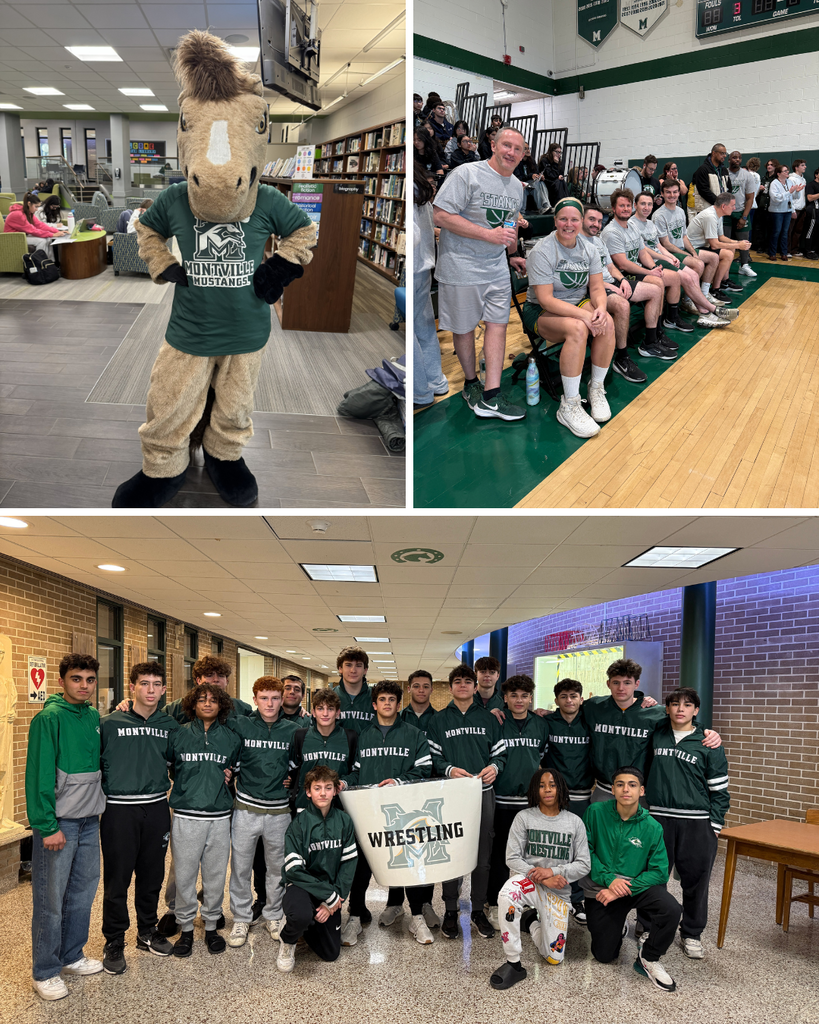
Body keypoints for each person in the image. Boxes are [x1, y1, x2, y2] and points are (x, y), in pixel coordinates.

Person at [433, 126, 528, 422]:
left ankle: (491, 396)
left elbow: (507, 227)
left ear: (523, 155)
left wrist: (512, 254)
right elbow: (440, 215)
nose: (511, 152)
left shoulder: (515, 186)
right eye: (506, 146)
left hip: (496, 267)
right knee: (463, 329)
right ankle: (471, 383)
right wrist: (488, 236)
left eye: (518, 149)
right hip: (461, 266)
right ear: (494, 146)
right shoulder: (466, 174)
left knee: (498, 324)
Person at [26, 654, 106, 1001]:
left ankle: (72, 955)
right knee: (50, 899)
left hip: (90, 821)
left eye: (89, 679)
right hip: (59, 824)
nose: (84, 685)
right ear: (62, 681)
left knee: (83, 894)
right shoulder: (49, 718)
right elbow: (39, 776)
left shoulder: (92, 717)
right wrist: (47, 825)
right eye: (76, 679)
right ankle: (44, 970)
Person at [98, 662, 178, 976]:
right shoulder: (109, 723)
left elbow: (177, 764)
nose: (150, 690)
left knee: (152, 876)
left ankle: (147, 930)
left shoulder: (169, 725)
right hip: (119, 810)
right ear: (132, 687)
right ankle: (114, 940)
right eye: (144, 683)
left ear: (163, 689)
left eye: (156, 684)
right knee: (118, 878)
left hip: (157, 808)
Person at [341, 681, 434, 946]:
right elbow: (357, 771)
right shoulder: (363, 735)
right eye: (382, 699)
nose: (387, 704)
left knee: (409, 861)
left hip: (404, 811)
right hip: (369, 812)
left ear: (398, 704)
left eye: (392, 700)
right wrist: (345, 783)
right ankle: (355, 917)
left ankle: (416, 916)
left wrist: (398, 781)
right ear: (374, 704)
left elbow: (424, 769)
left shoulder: (414, 734)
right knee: (362, 866)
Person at [645, 687, 730, 960]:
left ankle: (692, 933)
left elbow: (720, 790)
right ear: (667, 708)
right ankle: (648, 925)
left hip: (696, 822)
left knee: (695, 881)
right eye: (674, 704)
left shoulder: (708, 742)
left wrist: (714, 826)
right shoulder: (656, 735)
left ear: (696, 710)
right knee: (653, 876)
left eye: (688, 704)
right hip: (658, 817)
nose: (680, 709)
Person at [490, 767, 590, 990]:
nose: (547, 790)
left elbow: (584, 865)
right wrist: (543, 878)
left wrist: (555, 872)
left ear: (561, 789)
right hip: (530, 884)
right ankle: (513, 963)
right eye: (541, 785)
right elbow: (512, 858)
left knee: (554, 957)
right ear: (535, 790)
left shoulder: (575, 822)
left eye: (552, 785)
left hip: (559, 892)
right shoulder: (523, 818)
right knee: (507, 894)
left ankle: (531, 923)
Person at [524, 196, 616, 438]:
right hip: (541, 311)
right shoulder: (542, 251)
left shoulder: (590, 249)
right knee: (578, 328)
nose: (569, 224)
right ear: (555, 221)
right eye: (563, 219)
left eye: (574, 219)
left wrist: (601, 309)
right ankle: (570, 404)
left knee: (606, 323)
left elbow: (596, 288)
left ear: (581, 221)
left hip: (576, 303)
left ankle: (596, 388)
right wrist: (584, 317)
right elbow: (545, 299)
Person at [583, 766, 681, 992]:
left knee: (671, 909)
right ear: (613, 789)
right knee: (604, 956)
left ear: (642, 791)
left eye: (632, 785)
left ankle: (649, 957)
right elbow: (585, 852)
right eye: (620, 784)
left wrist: (622, 887)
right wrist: (609, 880)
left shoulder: (652, 827)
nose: (625, 789)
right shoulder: (594, 813)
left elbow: (658, 871)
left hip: (636, 887)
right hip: (601, 888)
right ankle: (617, 928)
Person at [427, 663, 507, 941]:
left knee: (483, 854)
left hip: (482, 793)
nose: (462, 685)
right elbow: (432, 758)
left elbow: (500, 754)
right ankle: (450, 908)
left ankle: (477, 910)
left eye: (467, 681)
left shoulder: (489, 719)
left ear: (475, 687)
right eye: (457, 681)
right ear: (450, 688)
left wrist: (494, 767)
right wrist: (448, 769)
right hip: (452, 795)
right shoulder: (437, 721)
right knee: (452, 853)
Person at [166, 682, 241, 957]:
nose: (207, 703)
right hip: (186, 815)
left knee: (215, 874)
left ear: (221, 705)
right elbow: (171, 769)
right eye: (201, 699)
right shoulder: (178, 735)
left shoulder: (231, 738)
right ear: (192, 705)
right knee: (184, 875)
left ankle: (211, 925)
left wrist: (230, 776)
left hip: (220, 816)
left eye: (213, 700)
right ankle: (185, 928)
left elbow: (236, 771)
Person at [581, 658, 721, 801]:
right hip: (605, 789)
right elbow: (568, 714)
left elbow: (684, 722)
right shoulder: (593, 707)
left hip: (639, 793)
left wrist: (706, 731)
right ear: (608, 684)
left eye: (627, 683)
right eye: (616, 682)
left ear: (637, 684)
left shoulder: (655, 713)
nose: (621, 688)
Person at [225, 676, 298, 949]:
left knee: (277, 869)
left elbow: (297, 765)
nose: (270, 703)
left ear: (283, 699)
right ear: (254, 699)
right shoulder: (240, 724)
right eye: (264, 698)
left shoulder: (293, 729)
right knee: (241, 868)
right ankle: (242, 918)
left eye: (275, 698)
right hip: (245, 808)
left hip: (280, 812)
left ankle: (273, 915)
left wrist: (293, 777)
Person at [276, 766, 357, 972]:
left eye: (328, 788)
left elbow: (348, 865)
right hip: (301, 886)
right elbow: (294, 870)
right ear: (308, 792)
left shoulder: (344, 821)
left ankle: (306, 925)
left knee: (331, 954)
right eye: (317, 788)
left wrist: (336, 899)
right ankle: (289, 938)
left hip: (330, 891)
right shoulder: (299, 823)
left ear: (335, 791)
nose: (323, 793)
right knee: (301, 915)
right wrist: (328, 896)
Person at [485, 675, 549, 930]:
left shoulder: (540, 724)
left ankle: (530, 902)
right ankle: (495, 903)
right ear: (506, 698)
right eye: (514, 696)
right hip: (501, 798)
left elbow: (541, 755)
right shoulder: (497, 721)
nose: (519, 700)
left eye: (524, 696)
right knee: (500, 854)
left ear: (531, 698)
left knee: (532, 856)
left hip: (530, 802)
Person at [629, 192, 729, 329]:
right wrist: (666, 258)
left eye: (649, 204)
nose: (646, 207)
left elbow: (658, 245)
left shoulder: (650, 222)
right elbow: (644, 250)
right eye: (643, 204)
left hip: (662, 257)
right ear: (635, 205)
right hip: (650, 263)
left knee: (694, 274)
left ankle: (702, 308)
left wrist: (671, 256)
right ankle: (708, 310)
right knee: (686, 278)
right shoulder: (632, 224)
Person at [601, 188, 678, 362]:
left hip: (636, 270)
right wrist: (649, 271)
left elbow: (643, 252)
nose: (626, 209)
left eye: (628, 205)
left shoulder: (632, 227)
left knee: (661, 280)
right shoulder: (611, 231)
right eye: (622, 206)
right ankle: (650, 341)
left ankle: (656, 333)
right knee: (656, 287)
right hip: (623, 275)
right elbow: (622, 264)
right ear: (613, 208)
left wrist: (654, 268)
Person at [581, 204, 656, 383]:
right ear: (581, 219)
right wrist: (610, 285)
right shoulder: (577, 242)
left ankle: (652, 341)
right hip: (594, 288)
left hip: (612, 282)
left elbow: (611, 266)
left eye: (599, 221)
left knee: (655, 290)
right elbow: (584, 278)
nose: (596, 224)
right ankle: (622, 358)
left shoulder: (598, 241)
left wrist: (621, 280)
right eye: (591, 219)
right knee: (622, 304)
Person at [543, 679, 593, 923]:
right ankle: (551, 894)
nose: (569, 700)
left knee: (578, 848)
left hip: (583, 794)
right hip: (555, 796)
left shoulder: (590, 721)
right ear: (556, 701)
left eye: (574, 696)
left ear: (581, 699)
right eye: (564, 696)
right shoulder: (547, 723)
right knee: (555, 846)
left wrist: (642, 696)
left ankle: (578, 899)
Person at [654, 179, 737, 316]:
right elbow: (666, 244)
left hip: (683, 248)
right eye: (668, 192)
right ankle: (688, 300)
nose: (672, 195)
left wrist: (692, 252)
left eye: (675, 192)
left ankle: (704, 294)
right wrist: (686, 254)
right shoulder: (659, 215)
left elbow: (684, 236)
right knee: (698, 265)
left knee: (714, 257)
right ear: (662, 194)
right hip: (670, 252)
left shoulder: (680, 211)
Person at [414, 166, 449, 409]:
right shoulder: (424, 196)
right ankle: (436, 381)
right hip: (425, 265)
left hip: (414, 266)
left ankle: (420, 390)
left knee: (416, 331)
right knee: (424, 326)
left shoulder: (413, 193)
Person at [686, 192, 749, 297]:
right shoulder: (710, 216)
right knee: (728, 254)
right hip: (692, 248)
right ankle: (715, 289)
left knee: (731, 250)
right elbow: (715, 245)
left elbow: (721, 237)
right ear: (723, 206)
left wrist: (738, 243)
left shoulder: (719, 214)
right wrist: (738, 246)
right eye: (732, 205)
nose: (734, 208)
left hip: (703, 245)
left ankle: (724, 281)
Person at [725, 151, 757, 277]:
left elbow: (750, 198)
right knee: (725, 241)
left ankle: (744, 265)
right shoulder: (724, 174)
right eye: (734, 157)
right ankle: (725, 267)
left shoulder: (747, 175)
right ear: (729, 160)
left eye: (739, 158)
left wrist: (744, 217)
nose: (737, 159)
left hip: (740, 211)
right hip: (725, 212)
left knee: (744, 240)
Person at [333, 645, 374, 735]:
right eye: (348, 665)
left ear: (365, 670)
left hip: (367, 748)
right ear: (340, 669)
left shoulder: (376, 697)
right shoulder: (330, 696)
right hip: (338, 748)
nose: (353, 670)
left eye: (358, 666)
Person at [692, 143, 731, 212]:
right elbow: (704, 190)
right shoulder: (703, 169)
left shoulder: (724, 170)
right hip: (708, 210)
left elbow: (729, 187)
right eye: (722, 153)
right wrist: (719, 203)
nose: (725, 156)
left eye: (725, 153)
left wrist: (726, 202)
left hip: (721, 208)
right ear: (714, 153)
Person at [535, 142, 569, 211]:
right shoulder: (545, 160)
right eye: (557, 152)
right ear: (551, 151)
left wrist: (559, 174)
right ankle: (561, 204)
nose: (559, 154)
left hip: (556, 182)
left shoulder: (559, 161)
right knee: (559, 182)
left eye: (560, 152)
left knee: (561, 181)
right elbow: (549, 175)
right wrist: (555, 164)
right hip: (546, 182)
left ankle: (566, 202)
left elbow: (561, 173)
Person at [753, 158, 777, 253]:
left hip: (771, 207)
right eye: (768, 165)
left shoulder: (775, 179)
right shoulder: (763, 178)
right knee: (760, 228)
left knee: (770, 228)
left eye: (771, 165)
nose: (769, 166)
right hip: (761, 206)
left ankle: (768, 246)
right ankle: (760, 246)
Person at [787, 158, 808, 256]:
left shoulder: (803, 179)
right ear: (796, 167)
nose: (805, 167)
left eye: (804, 165)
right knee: (789, 230)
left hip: (802, 208)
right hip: (793, 209)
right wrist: (792, 210)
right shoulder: (791, 179)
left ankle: (794, 250)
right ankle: (787, 250)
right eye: (802, 165)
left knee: (798, 231)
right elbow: (789, 195)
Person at [744, 157, 761, 252]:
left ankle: (745, 250)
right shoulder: (758, 176)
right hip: (753, 204)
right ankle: (747, 249)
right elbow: (757, 191)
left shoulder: (746, 175)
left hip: (746, 205)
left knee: (744, 229)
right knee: (749, 228)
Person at [802, 167, 819, 260]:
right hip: (813, 211)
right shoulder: (811, 185)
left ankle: (815, 250)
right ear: (816, 175)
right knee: (810, 231)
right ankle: (808, 250)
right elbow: (809, 198)